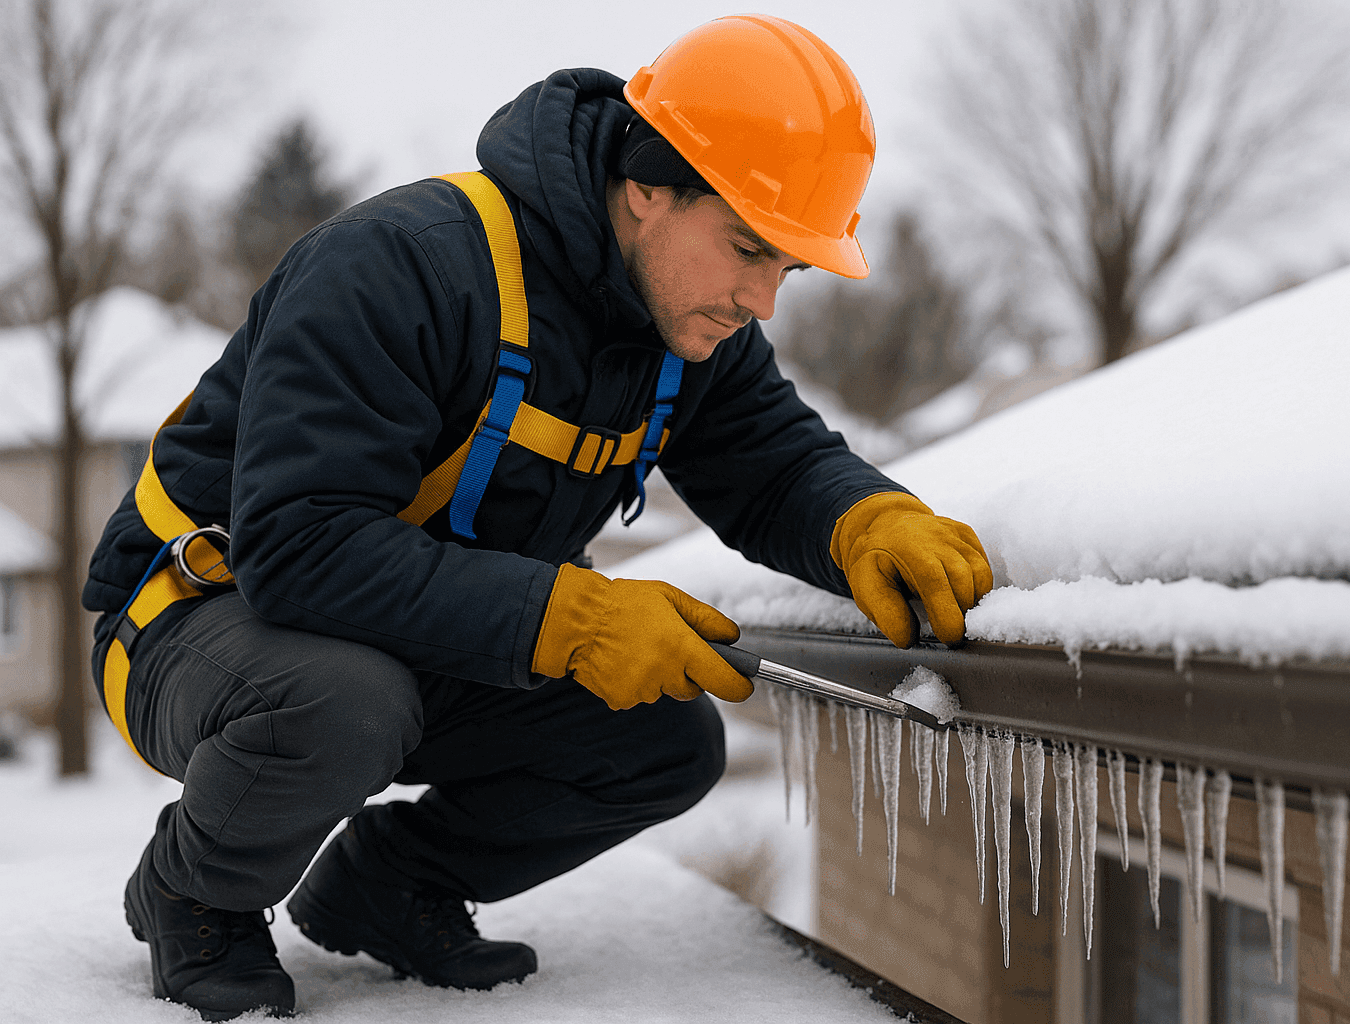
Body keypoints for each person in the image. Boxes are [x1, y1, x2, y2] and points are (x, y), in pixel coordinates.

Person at [83, 15, 992, 1021]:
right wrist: (575, 619)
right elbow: (301, 546)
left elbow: (776, 467)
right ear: (647, 187)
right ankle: (194, 891)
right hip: (197, 619)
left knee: (664, 737)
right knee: (348, 702)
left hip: (405, 639)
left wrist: (866, 520)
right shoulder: (402, 266)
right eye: (748, 248)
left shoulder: (684, 324)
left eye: (789, 267)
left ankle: (389, 885)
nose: (762, 300)